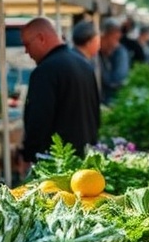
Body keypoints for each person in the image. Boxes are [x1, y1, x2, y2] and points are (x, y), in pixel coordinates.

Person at [20, 18, 101, 169]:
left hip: (57, 164)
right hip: (85, 158)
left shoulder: (44, 71)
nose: (26, 51)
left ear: (41, 38)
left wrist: (28, 155)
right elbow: (96, 114)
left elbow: (38, 120)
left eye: (27, 44)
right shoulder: (84, 65)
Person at [99, 19, 130, 105]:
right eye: (115, 39)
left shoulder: (114, 52)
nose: (116, 44)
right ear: (105, 36)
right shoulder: (96, 56)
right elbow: (115, 80)